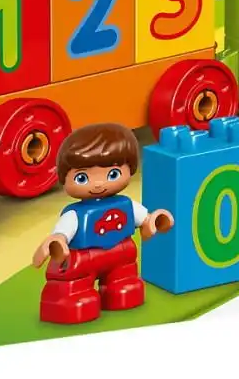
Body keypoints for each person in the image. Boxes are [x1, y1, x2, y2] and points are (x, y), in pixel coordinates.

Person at [31, 122, 173, 323]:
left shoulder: (126, 204)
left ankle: (120, 286)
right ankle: (71, 298)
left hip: (121, 253)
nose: (98, 184)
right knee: (74, 286)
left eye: (112, 174)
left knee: (124, 279)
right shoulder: (74, 214)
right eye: (82, 177)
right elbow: (62, 233)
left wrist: (153, 221)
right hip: (83, 259)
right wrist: (57, 240)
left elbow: (145, 219)